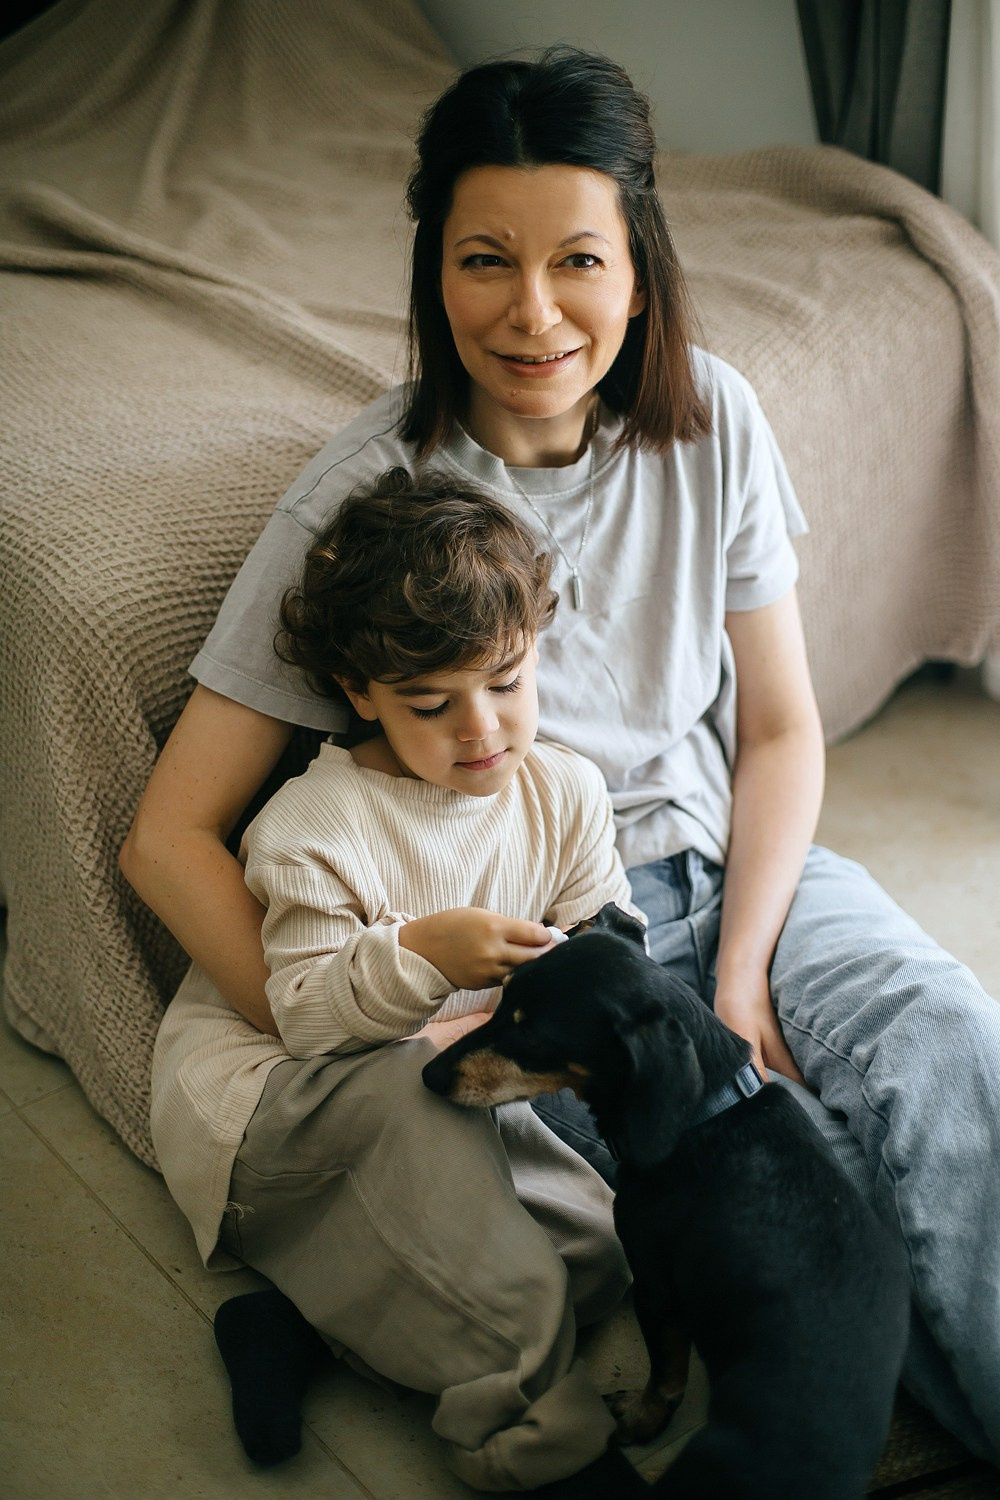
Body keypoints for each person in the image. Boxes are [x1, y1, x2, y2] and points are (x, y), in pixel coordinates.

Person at [121, 43, 1000, 1491]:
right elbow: (169, 838)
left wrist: (738, 981)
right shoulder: (368, 493)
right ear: (435, 272)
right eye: (485, 261)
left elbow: (778, 730)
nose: (533, 312)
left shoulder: (713, 415)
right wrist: (338, 1020)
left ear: (639, 265)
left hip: (722, 877)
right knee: (651, 1210)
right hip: (519, 938)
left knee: (948, 1047)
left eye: (578, 260)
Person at [148, 466, 648, 1496]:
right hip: (275, 1097)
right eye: (432, 704)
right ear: (358, 693)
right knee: (484, 1244)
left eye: (505, 683)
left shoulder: (564, 793)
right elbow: (308, 1019)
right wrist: (422, 955)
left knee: (602, 1248)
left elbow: (607, 945)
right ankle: (540, 1442)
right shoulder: (312, 829)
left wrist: (596, 965)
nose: (481, 730)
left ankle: (295, 1320)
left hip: (448, 1082)